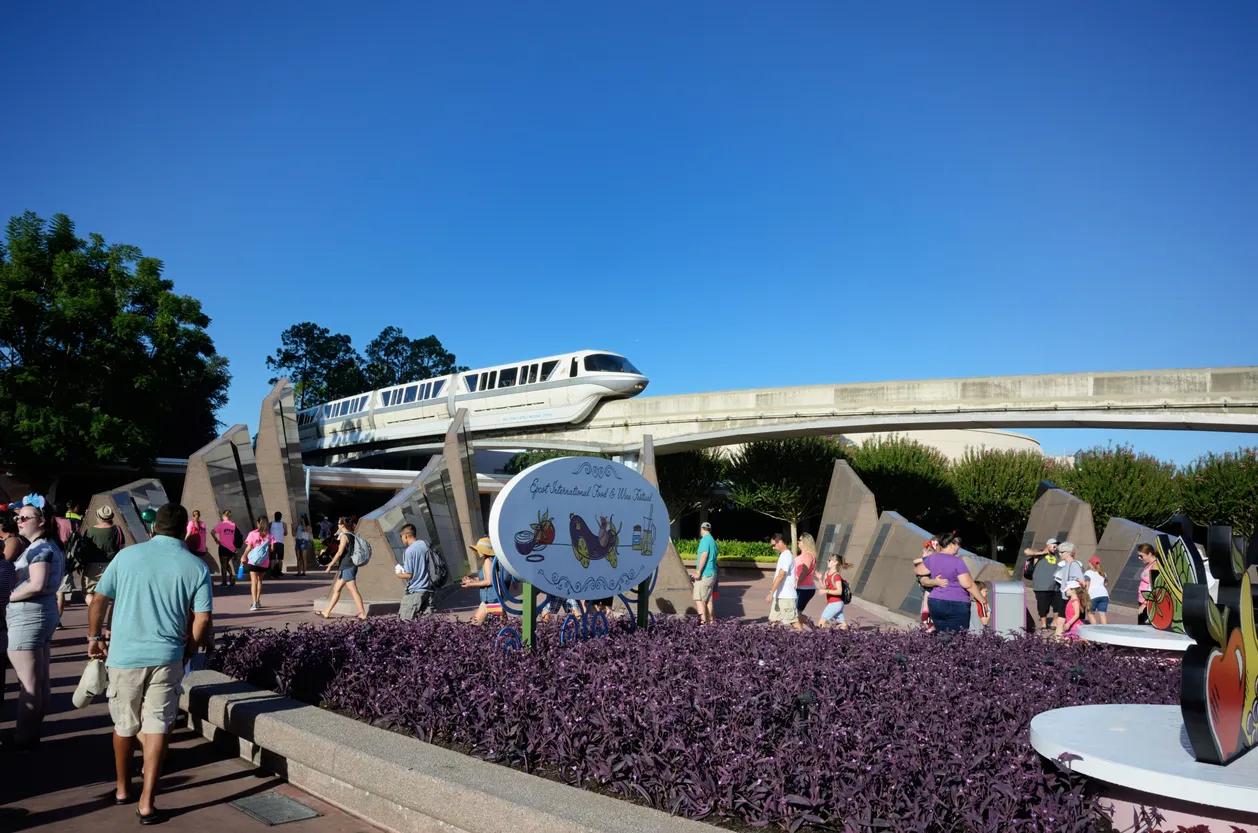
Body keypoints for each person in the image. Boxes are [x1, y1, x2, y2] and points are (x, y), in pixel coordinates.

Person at [88, 503, 213, 823]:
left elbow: (99, 599)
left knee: (124, 724)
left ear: (154, 527)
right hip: (168, 655)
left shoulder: (126, 556)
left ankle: (122, 789)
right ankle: (146, 803)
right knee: (158, 724)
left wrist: (95, 637)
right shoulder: (196, 566)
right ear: (185, 530)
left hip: (124, 655)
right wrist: (190, 650)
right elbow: (202, 619)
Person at [6, 496, 66, 751]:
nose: (19, 521)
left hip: (28, 616)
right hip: (42, 613)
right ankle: (30, 733)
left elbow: (37, 584)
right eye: (17, 517)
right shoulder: (49, 545)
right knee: (39, 680)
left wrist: (7, 596)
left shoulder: (40, 548)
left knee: (30, 683)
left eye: (24, 517)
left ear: (41, 522)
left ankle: (23, 737)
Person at [914, 532, 985, 633]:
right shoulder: (957, 561)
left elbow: (918, 571)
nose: (959, 547)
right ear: (951, 544)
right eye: (958, 544)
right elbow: (967, 584)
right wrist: (983, 601)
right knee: (957, 637)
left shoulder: (933, 558)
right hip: (956, 604)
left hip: (935, 602)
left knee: (941, 635)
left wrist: (932, 581)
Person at [316, 517, 367, 620]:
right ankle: (326, 612)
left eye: (339, 524)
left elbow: (339, 552)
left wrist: (330, 565)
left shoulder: (345, 536)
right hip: (347, 566)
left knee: (353, 590)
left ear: (343, 525)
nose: (337, 525)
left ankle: (362, 614)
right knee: (337, 589)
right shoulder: (351, 534)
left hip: (348, 566)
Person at [81, 505, 124, 605]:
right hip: (112, 564)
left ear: (98, 516)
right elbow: (121, 546)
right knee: (112, 593)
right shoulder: (117, 529)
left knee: (87, 591)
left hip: (93, 565)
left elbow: (84, 548)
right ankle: (111, 612)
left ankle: (95, 610)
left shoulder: (90, 531)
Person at [396, 523, 434, 619]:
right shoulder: (426, 545)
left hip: (415, 591)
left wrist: (399, 574)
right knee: (425, 624)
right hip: (429, 590)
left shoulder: (409, 551)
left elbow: (409, 575)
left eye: (401, 536)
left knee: (404, 621)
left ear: (405, 535)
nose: (401, 539)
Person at [1024, 538, 1063, 630]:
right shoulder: (1038, 555)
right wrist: (1042, 553)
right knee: (1043, 608)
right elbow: (1026, 552)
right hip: (1041, 587)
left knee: (1058, 606)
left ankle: (1054, 623)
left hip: (1056, 587)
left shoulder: (1057, 556)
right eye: (1053, 544)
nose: (1055, 546)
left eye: (1056, 545)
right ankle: (1043, 625)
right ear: (1047, 544)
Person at [461, 536, 501, 626]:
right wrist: (472, 580)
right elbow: (487, 577)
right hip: (491, 599)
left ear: (485, 550)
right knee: (501, 625)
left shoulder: (487, 561)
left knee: (475, 624)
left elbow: (489, 581)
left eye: (479, 549)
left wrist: (470, 585)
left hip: (490, 600)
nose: (477, 551)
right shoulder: (489, 560)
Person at [765, 533, 801, 631]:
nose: (773, 548)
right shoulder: (783, 555)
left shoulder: (787, 556)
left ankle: (804, 638)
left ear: (780, 542)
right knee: (773, 621)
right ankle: (771, 639)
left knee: (793, 621)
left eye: (774, 545)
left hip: (787, 596)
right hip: (780, 595)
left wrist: (771, 592)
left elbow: (781, 576)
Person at [242, 516, 274, 611]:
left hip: (254, 561)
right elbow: (272, 549)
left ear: (258, 523)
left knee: (254, 582)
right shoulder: (270, 535)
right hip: (264, 561)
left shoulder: (252, 534)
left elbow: (249, 547)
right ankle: (258, 601)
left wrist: (244, 556)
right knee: (260, 581)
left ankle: (254, 603)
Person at [691, 521, 718, 624]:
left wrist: (698, 571)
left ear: (701, 529)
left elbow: (704, 555)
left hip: (705, 574)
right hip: (712, 574)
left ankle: (703, 625)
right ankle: (711, 622)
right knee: (708, 600)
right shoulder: (713, 541)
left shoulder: (705, 540)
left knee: (699, 600)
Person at [818, 555, 849, 629]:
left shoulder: (836, 576)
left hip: (835, 603)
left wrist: (826, 591)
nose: (827, 562)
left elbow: (839, 591)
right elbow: (824, 587)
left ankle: (824, 636)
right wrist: (819, 579)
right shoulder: (827, 573)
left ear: (835, 563)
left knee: (821, 623)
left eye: (829, 560)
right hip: (833, 603)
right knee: (843, 625)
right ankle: (847, 635)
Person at [209, 509, 239, 588]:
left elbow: (212, 532)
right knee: (227, 563)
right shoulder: (234, 525)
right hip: (231, 548)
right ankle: (231, 576)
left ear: (223, 516)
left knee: (223, 565)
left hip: (223, 547)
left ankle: (224, 582)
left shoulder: (222, 524)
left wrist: (216, 540)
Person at [795, 533, 818, 630]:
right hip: (803, 587)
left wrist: (797, 583)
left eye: (799, 540)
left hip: (805, 588)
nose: (798, 541)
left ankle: (815, 629)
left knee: (794, 613)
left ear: (805, 542)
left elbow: (804, 572)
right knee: (797, 613)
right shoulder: (804, 555)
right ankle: (799, 633)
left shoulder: (808, 555)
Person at [915, 538, 938, 630]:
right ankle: (926, 623)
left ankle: (927, 623)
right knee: (927, 605)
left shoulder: (929, 560)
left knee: (928, 606)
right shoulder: (929, 560)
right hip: (931, 586)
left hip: (932, 586)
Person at [1053, 542, 1084, 611]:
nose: (1059, 554)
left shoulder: (1074, 565)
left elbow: (1081, 581)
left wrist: (1073, 595)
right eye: (1059, 552)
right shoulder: (1066, 564)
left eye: (1062, 552)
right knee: (1061, 617)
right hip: (1065, 596)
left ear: (1069, 553)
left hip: (1071, 599)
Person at [1135, 543, 1158, 625]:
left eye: (1141, 556)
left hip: (1148, 603)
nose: (1139, 558)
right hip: (1143, 600)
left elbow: (1154, 586)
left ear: (1150, 554)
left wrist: (1144, 604)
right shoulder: (1149, 565)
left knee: (1144, 627)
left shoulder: (1155, 566)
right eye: (1138, 556)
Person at [1083, 556, 1110, 625]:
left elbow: (1087, 585)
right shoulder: (1103, 573)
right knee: (1102, 614)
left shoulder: (1088, 573)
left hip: (1093, 595)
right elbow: (1106, 584)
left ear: (1090, 563)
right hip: (1104, 595)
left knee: (1090, 613)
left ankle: (1094, 629)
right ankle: (1104, 630)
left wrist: (1084, 595)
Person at [268, 511, 288, 578]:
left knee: (272, 559)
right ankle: (279, 572)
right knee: (280, 559)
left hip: (272, 543)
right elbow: (286, 533)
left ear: (274, 516)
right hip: (280, 543)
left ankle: (272, 573)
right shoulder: (284, 524)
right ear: (281, 517)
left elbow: (268, 532)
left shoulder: (270, 524)